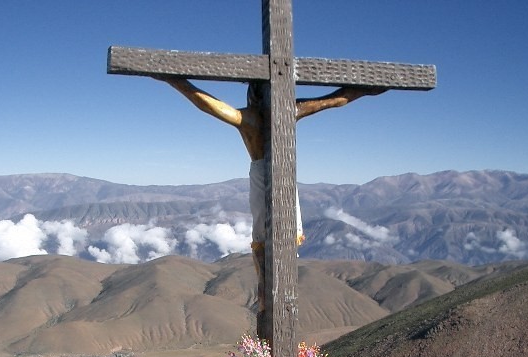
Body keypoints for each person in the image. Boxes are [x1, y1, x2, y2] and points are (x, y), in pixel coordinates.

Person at [158, 78, 384, 321]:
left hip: (267, 182)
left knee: (264, 255)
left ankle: (270, 315)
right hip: (285, 180)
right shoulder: (290, 110)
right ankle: (276, 312)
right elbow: (335, 99)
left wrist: (175, 80)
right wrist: (366, 90)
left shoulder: (249, 119)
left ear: (253, 95)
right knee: (277, 252)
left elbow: (206, 104)